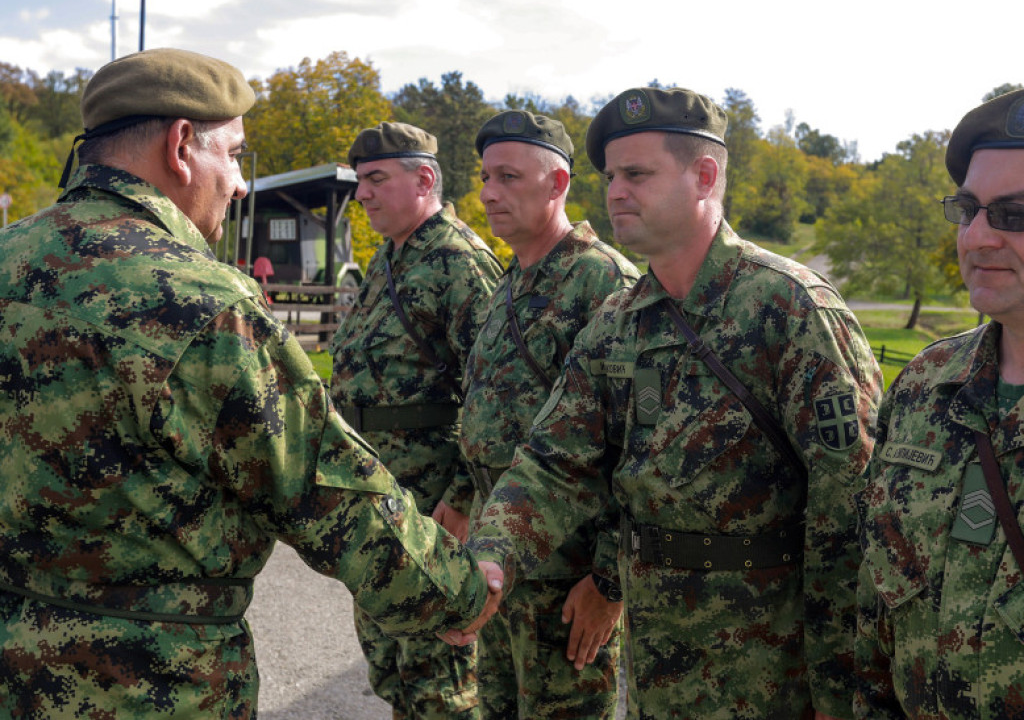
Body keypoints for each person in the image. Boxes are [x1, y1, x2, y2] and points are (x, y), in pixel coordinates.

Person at [0, 48, 500, 720]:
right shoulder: (198, 299)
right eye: (233, 154)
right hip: (154, 684)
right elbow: (326, 487)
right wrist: (457, 591)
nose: (238, 183)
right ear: (182, 146)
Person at [458, 87, 882, 719]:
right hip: (661, 664)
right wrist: (493, 554)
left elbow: (853, 505)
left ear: (704, 176)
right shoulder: (618, 321)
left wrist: (840, 685)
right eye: (610, 176)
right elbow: (554, 461)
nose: (615, 192)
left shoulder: (787, 308)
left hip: (770, 666)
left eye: (637, 174)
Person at [440, 109, 639, 717]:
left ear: (557, 185)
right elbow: (488, 406)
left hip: (567, 582)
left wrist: (609, 583)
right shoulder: (513, 280)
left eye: (507, 177)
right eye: (484, 177)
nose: (488, 193)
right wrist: (462, 495)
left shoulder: (599, 280)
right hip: (505, 571)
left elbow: (633, 445)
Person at [855, 88, 1024, 718]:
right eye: (970, 209)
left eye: (1014, 214)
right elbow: (876, 600)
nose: (977, 236)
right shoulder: (927, 382)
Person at [330, 121, 503, 719]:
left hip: (433, 507)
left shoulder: (460, 262)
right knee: (392, 667)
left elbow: (493, 394)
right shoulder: (388, 260)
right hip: (380, 501)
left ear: (424, 178)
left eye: (376, 179)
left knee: (442, 685)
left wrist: (462, 496)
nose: (363, 195)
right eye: (361, 182)